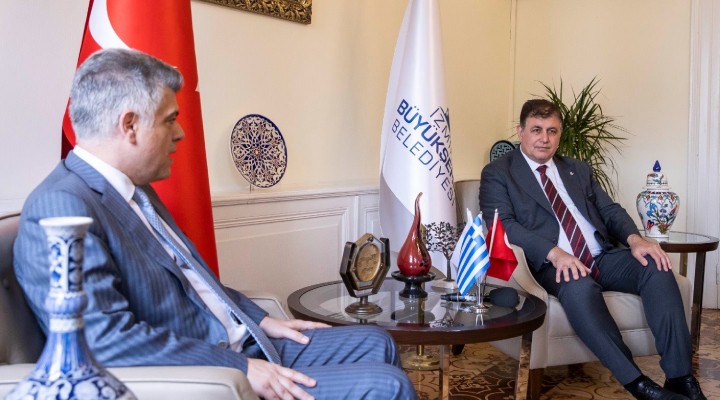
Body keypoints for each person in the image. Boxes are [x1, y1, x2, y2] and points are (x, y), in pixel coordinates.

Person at [14, 48, 416, 400]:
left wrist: (261, 320)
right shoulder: (62, 205)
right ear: (130, 125)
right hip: (207, 373)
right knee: (388, 386)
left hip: (242, 344)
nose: (181, 133)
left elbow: (193, 284)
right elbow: (106, 341)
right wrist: (240, 369)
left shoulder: (135, 190)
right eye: (170, 120)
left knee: (376, 341)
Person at [479, 99, 704, 400]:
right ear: (521, 132)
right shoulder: (499, 172)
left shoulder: (577, 169)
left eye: (551, 131)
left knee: (655, 266)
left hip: (602, 255)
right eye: (536, 130)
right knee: (579, 287)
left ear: (560, 134)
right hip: (552, 264)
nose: (544, 138)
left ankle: (680, 377)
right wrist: (555, 253)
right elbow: (503, 225)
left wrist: (636, 240)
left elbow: (610, 210)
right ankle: (637, 383)